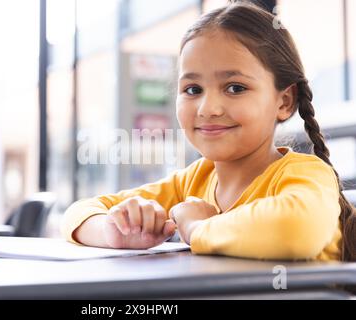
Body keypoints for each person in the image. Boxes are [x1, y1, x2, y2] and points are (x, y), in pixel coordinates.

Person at [60, 1, 356, 261]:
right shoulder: (191, 182)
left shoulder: (305, 173)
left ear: (284, 101)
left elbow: (295, 231)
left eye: (235, 87)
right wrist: (115, 231)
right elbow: (79, 213)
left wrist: (196, 228)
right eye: (192, 89)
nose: (207, 108)